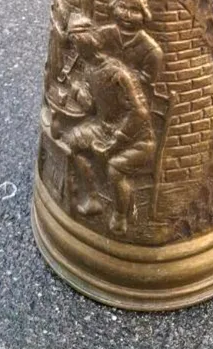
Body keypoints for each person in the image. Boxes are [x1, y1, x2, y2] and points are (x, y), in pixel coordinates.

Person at [59, 13, 156, 234]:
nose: (75, 52)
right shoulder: (89, 69)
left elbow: (139, 113)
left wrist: (115, 143)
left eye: (77, 46)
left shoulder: (117, 73)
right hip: (104, 128)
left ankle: (121, 216)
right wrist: (76, 91)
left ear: (87, 44)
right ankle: (93, 198)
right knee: (70, 143)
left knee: (114, 169)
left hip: (138, 138)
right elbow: (93, 107)